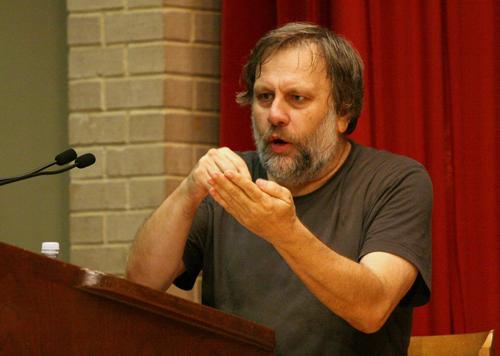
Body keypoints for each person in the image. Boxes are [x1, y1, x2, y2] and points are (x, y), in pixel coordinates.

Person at [126, 22, 432, 355]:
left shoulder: (396, 181)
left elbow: (371, 308)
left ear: (343, 112)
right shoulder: (233, 179)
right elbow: (141, 283)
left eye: (296, 98)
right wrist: (187, 192)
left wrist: (283, 231)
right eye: (264, 97)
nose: (274, 115)